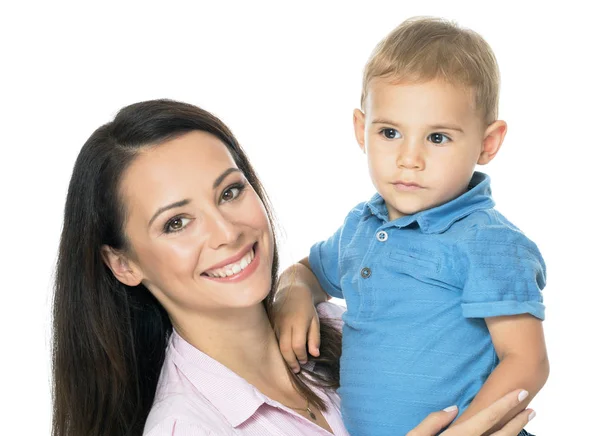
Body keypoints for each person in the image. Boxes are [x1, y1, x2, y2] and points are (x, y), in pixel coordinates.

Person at [52, 99, 536, 436]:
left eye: (230, 191)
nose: (226, 231)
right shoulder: (188, 427)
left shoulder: (350, 327)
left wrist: (295, 286)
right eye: (177, 222)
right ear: (123, 263)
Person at [274, 17, 548, 436]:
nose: (409, 158)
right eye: (389, 132)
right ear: (361, 131)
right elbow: (308, 271)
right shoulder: (360, 228)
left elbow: (527, 362)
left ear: (487, 144)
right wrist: (293, 291)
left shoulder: (487, 241)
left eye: (437, 138)